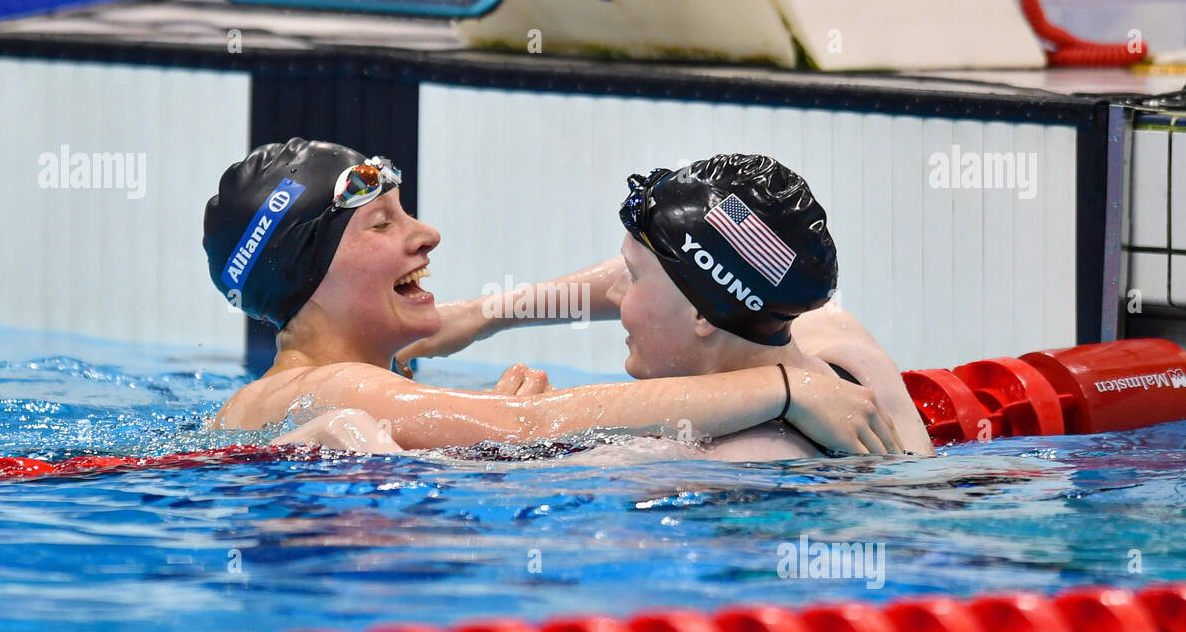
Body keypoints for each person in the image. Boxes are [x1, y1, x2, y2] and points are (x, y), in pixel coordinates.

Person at [202, 139, 905, 455]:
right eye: (383, 223)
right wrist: (781, 387)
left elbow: (666, 273)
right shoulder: (324, 390)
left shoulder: (352, 386)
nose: (427, 234)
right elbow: (529, 430)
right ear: (308, 274)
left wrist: (480, 331)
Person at [396, 153, 934, 458]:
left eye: (631, 279)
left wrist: (500, 437)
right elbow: (710, 275)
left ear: (701, 313)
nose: (612, 296)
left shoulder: (700, 458)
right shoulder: (839, 343)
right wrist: (481, 316)